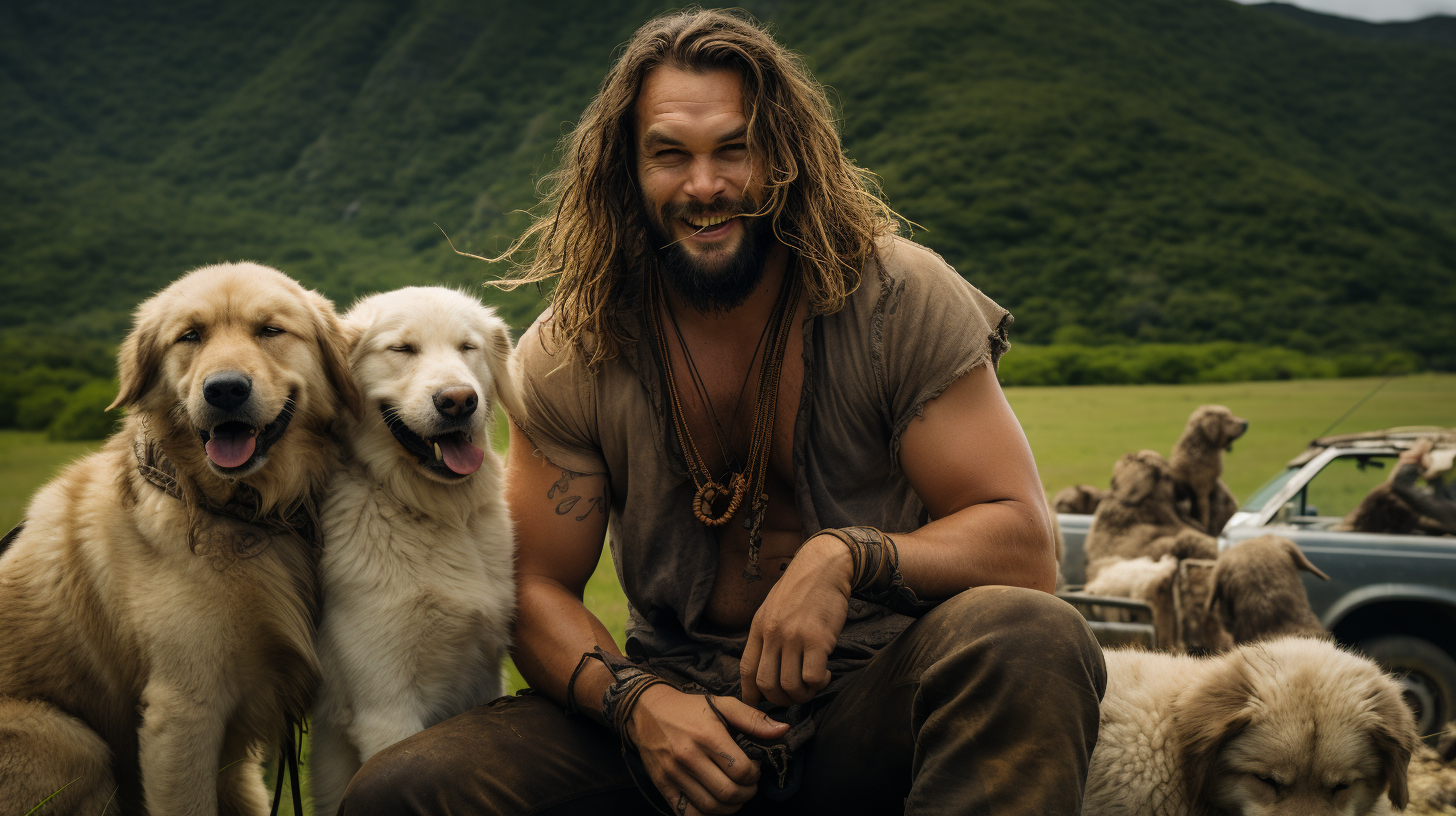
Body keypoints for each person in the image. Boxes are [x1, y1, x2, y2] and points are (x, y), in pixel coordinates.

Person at [340, 9, 1105, 815]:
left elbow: (1022, 541)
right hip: (667, 712)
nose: (705, 187)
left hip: (871, 692)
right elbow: (534, 587)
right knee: (405, 792)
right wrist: (639, 708)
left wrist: (847, 557)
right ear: (626, 170)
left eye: (732, 149)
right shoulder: (575, 344)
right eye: (670, 155)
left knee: (1030, 636)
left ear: (782, 155)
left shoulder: (898, 298)